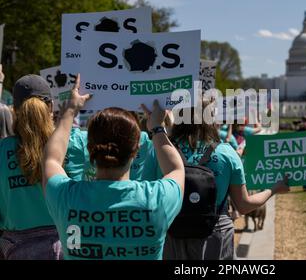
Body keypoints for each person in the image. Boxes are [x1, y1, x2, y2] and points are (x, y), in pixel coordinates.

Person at [42, 75, 185, 260]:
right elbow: (176, 169)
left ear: (90, 148)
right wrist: (157, 128)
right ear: (136, 150)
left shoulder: (66, 197)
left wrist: (70, 110)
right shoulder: (157, 199)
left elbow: (51, 159)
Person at [156, 102, 290, 260]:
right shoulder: (227, 153)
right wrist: (273, 189)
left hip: (174, 232)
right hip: (215, 233)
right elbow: (244, 205)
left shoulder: (162, 150)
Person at [0, 74, 87, 259]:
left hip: (19, 248)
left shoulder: (2, 150)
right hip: (71, 240)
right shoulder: (76, 141)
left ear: (14, 109)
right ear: (51, 107)